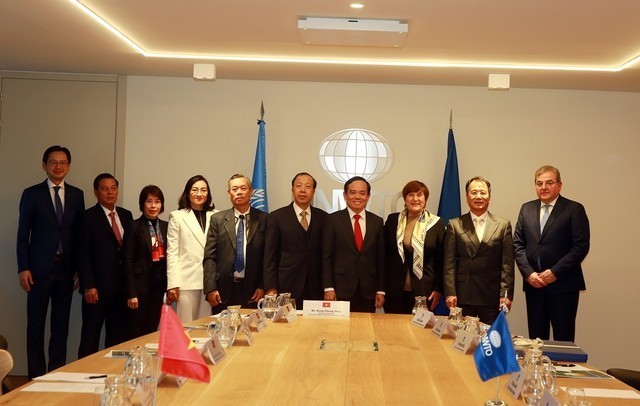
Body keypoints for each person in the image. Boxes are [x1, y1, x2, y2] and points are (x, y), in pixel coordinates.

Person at [16, 145, 85, 379]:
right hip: (38, 270)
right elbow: (23, 234)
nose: (58, 167)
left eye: (63, 162)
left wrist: (79, 269)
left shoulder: (77, 195)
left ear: (69, 166)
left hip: (66, 270)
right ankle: (35, 377)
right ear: (44, 165)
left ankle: (55, 375)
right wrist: (23, 267)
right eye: (53, 162)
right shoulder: (31, 194)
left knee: (60, 326)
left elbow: (79, 235)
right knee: (35, 327)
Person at [513, 165, 590, 341]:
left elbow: (580, 246)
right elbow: (518, 244)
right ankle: (537, 369)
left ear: (560, 185)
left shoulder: (574, 209)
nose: (544, 187)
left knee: (563, 339)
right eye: (539, 183)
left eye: (549, 182)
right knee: (536, 339)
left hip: (563, 285)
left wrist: (555, 272)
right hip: (534, 285)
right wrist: (529, 273)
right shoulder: (526, 209)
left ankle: (563, 369)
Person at [443, 176, 514, 325]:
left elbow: (507, 264)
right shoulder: (455, 224)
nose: (478, 196)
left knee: (489, 342)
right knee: (461, 342)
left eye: (483, 192)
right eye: (474, 192)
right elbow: (449, 264)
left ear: (490, 197)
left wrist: (505, 294)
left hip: (491, 296)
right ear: (467, 197)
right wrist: (450, 292)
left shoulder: (503, 225)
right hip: (463, 295)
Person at [78, 173, 133, 358]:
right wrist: (88, 285)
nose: (110, 192)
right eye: (104, 188)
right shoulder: (87, 217)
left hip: (120, 289)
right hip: (97, 290)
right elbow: (82, 253)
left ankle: (112, 374)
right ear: (96, 192)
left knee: (116, 338)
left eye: (113, 188)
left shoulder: (126, 215)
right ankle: (83, 375)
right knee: (90, 337)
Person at [203, 174, 266, 313]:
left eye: (243, 188)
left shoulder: (265, 219)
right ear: (229, 193)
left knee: (253, 332)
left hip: (254, 292)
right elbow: (209, 257)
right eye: (234, 189)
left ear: (251, 192)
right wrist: (210, 288)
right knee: (223, 332)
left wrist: (263, 286)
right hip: (223, 291)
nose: (239, 192)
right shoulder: (217, 220)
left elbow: (268, 258)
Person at [264, 172, 327, 308]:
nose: (303, 190)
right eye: (298, 186)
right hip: (286, 286)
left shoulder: (324, 218)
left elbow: (327, 255)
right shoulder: (276, 217)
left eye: (308, 186)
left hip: (316, 287)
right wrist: (270, 287)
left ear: (314, 191)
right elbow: (270, 256)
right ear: (292, 190)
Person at [322, 176, 385, 313]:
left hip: (368, 290)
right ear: (345, 195)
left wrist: (381, 290)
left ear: (368, 196)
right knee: (339, 332)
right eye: (352, 192)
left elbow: (381, 259)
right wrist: (328, 287)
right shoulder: (332, 220)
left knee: (365, 331)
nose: (358, 196)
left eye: (362, 193)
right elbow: (326, 256)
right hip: (339, 290)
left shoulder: (377, 222)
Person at [384, 180, 445, 314]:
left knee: (419, 333)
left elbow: (442, 260)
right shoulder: (393, 220)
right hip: (394, 291)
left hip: (424, 292)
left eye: (420, 195)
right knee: (393, 331)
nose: (415, 199)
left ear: (425, 199)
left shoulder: (436, 224)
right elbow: (384, 256)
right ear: (405, 199)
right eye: (411, 195)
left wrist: (438, 289)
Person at [166, 175, 216, 322]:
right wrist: (172, 284)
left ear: (208, 193)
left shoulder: (216, 215)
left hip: (210, 281)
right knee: (186, 326)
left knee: (206, 325)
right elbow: (172, 252)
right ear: (188, 193)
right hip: (186, 280)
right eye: (195, 190)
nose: (199, 194)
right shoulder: (177, 216)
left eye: (203, 190)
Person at [124, 185, 168, 338]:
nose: (153, 206)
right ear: (142, 204)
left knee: (152, 327)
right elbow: (127, 260)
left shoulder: (166, 226)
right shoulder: (134, 226)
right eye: (149, 201)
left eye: (157, 201)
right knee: (135, 329)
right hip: (139, 287)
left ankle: (147, 359)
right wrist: (131, 293)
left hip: (158, 286)